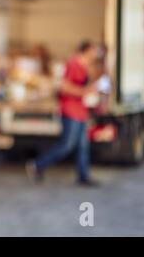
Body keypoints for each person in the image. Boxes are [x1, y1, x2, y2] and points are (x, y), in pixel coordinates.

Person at [26, 41, 99, 187]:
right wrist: (84, 92)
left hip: (81, 111)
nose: (94, 56)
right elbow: (64, 87)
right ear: (85, 51)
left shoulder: (84, 66)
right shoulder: (72, 64)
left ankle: (83, 176)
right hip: (70, 111)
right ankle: (37, 165)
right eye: (92, 52)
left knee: (83, 145)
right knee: (67, 145)